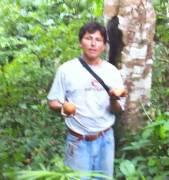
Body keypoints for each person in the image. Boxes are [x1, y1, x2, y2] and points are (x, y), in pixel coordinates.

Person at [47, 21, 126, 178]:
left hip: (106, 140)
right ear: (80, 42)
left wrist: (113, 99)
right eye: (88, 38)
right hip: (78, 141)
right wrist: (63, 108)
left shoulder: (112, 72)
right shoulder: (66, 70)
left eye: (98, 40)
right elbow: (53, 101)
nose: (93, 43)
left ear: (104, 45)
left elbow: (118, 110)